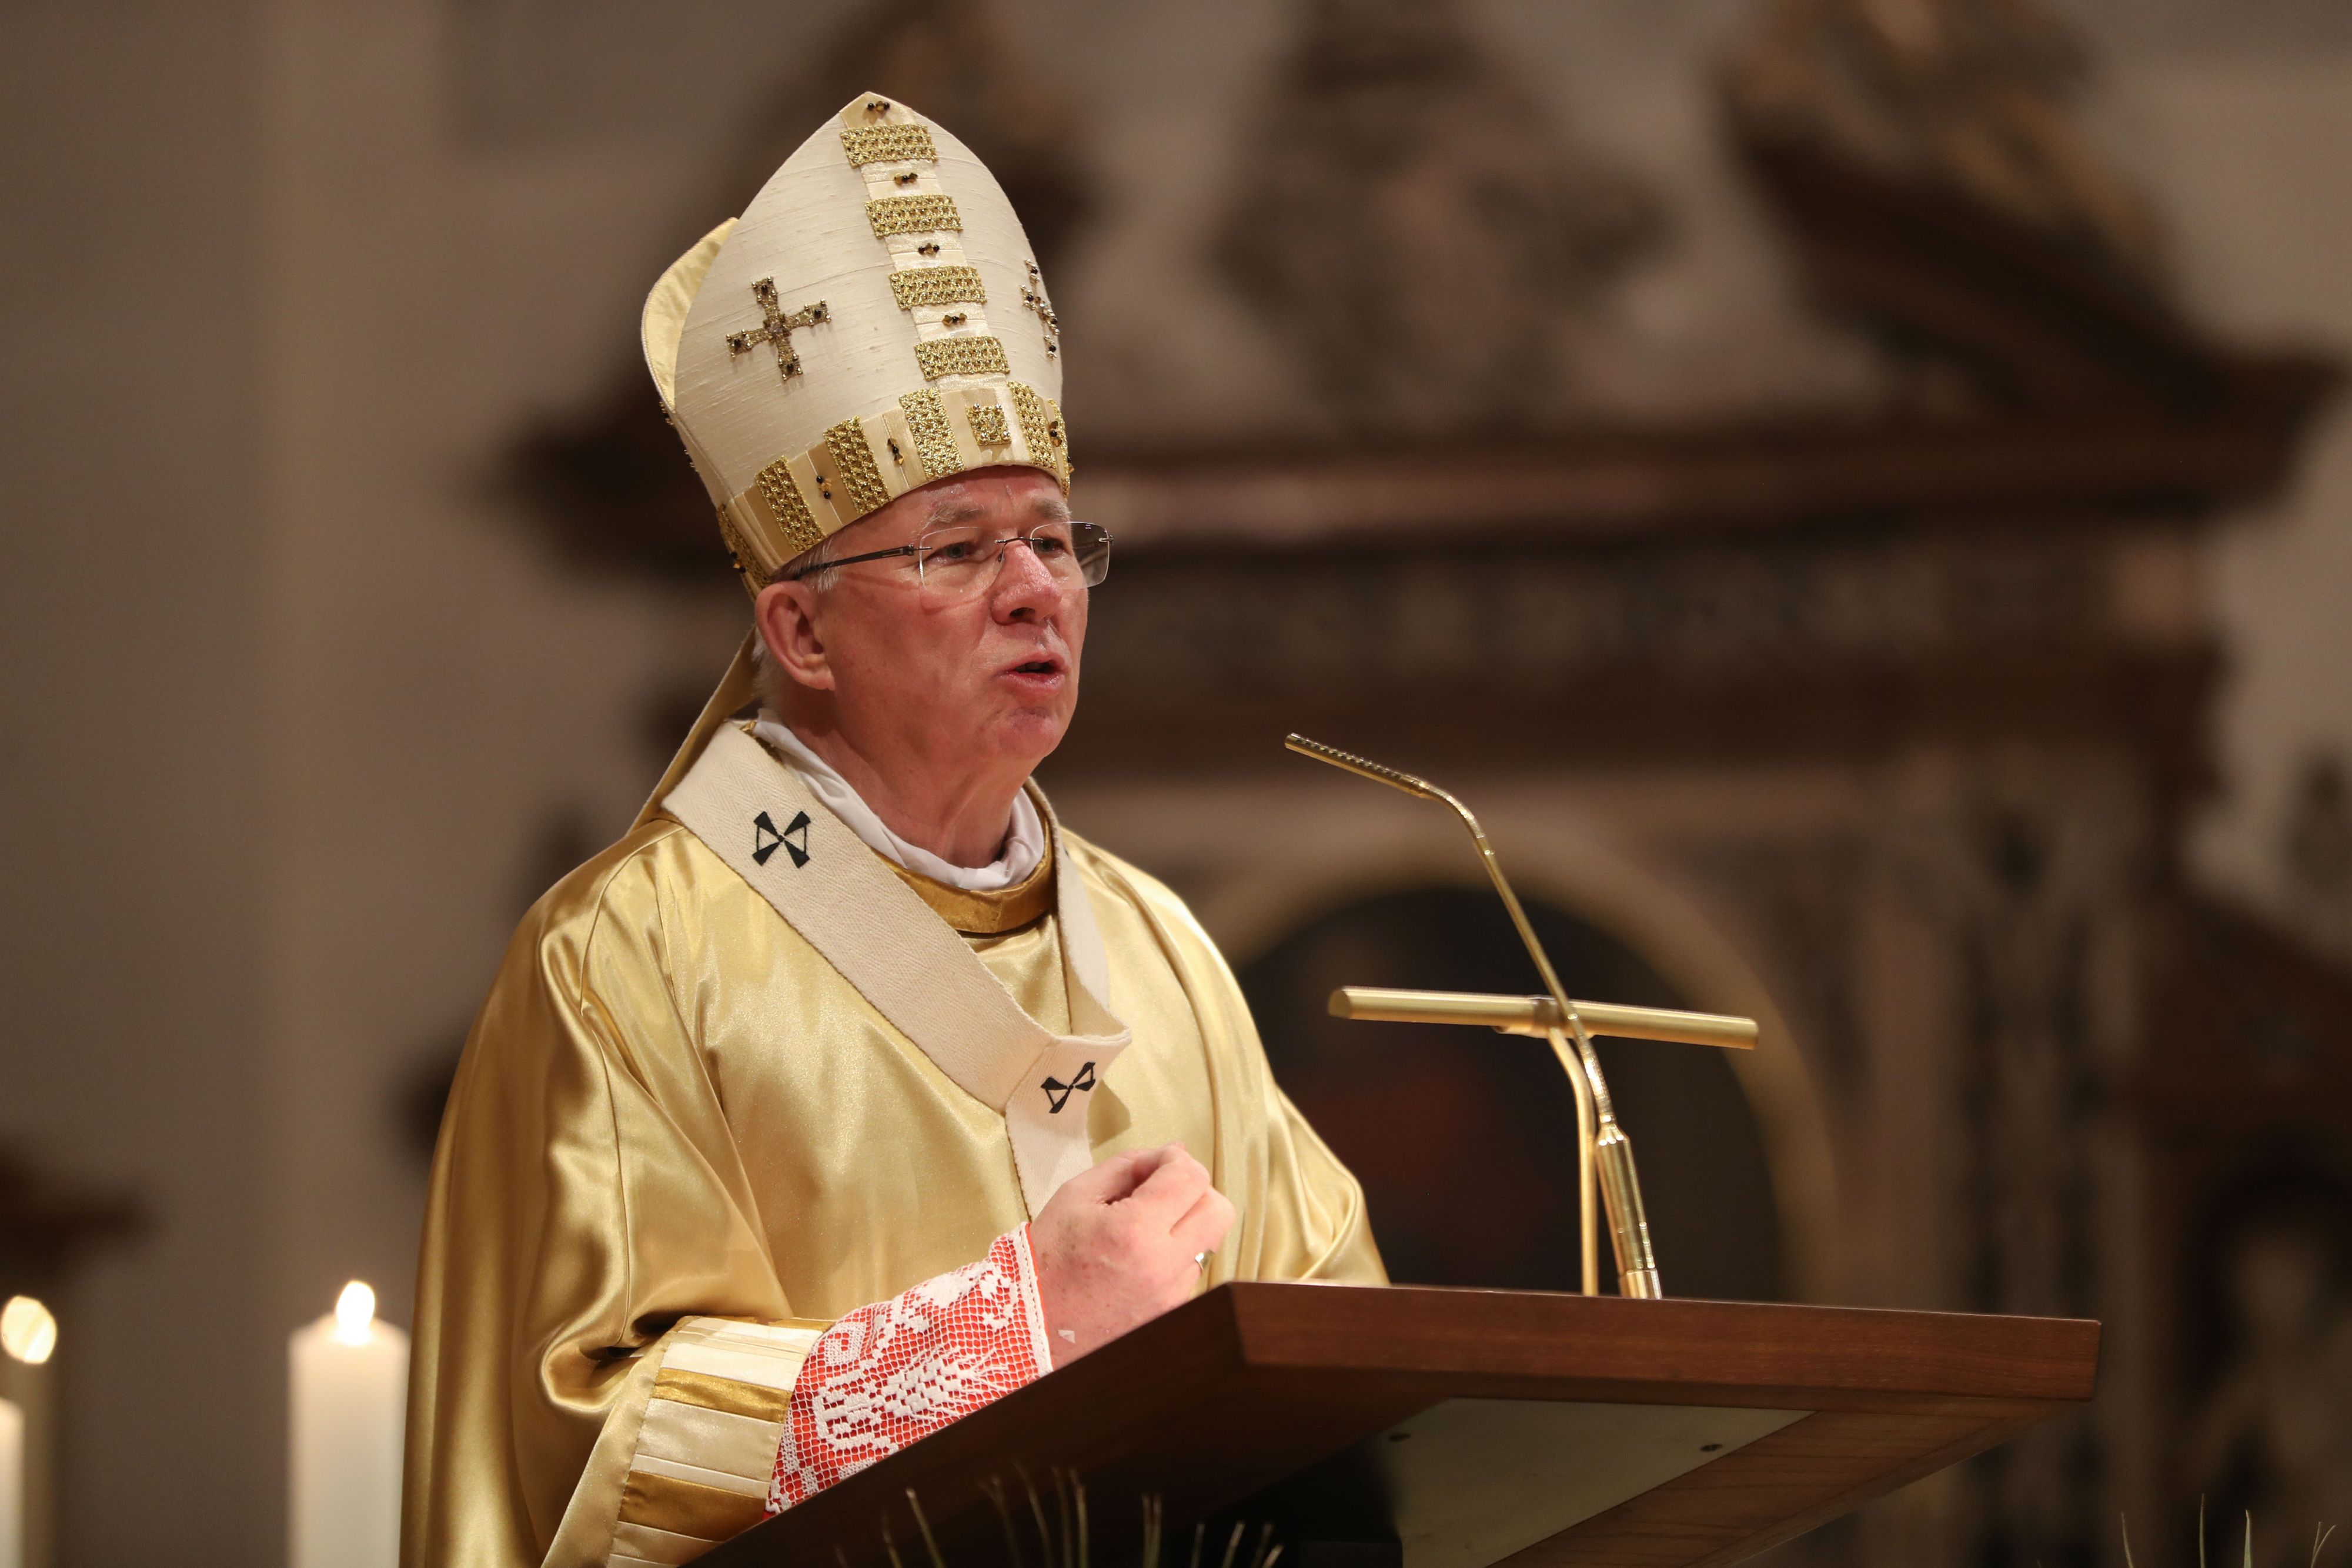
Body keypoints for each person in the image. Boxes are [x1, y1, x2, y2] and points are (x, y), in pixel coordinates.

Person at [401, 91, 1385, 1568]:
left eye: (1054, 537)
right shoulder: (629, 955)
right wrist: (1007, 1332)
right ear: (796, 626)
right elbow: (581, 1447)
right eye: (956, 546)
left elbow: (1346, 1363)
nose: (1034, 587)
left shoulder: (1158, 949)